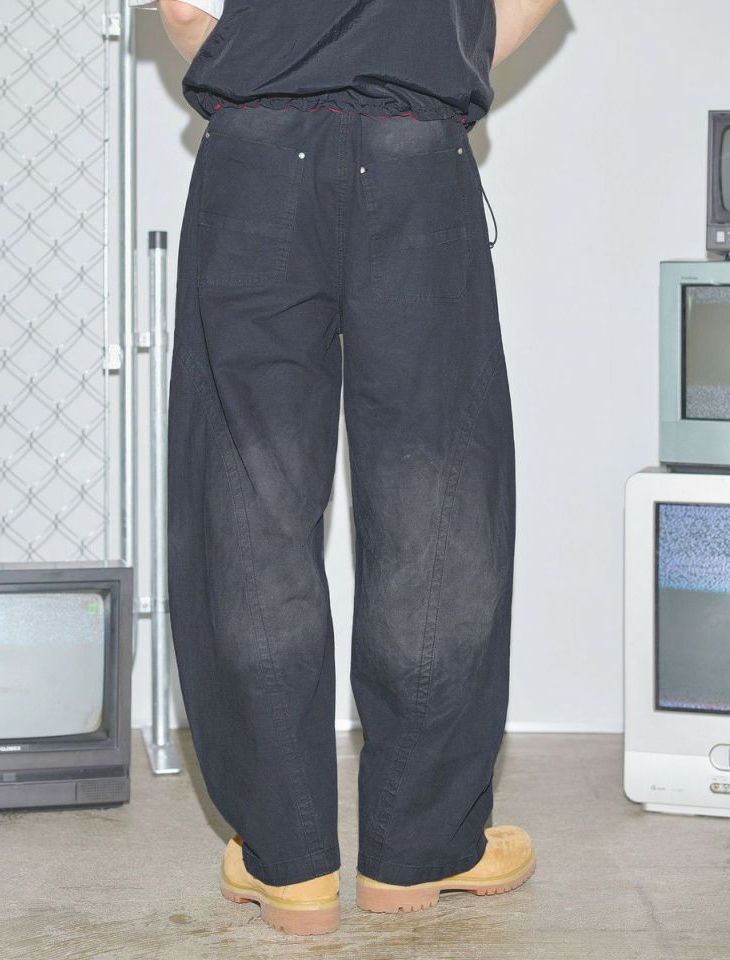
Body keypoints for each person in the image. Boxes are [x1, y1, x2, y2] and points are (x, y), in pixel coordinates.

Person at [134, 0, 559, 937]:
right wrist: (433, 49)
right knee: (435, 491)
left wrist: (274, 58)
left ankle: (289, 864)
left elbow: (185, 7)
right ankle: (421, 850)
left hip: (255, 165)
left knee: (250, 493)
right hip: (417, 156)